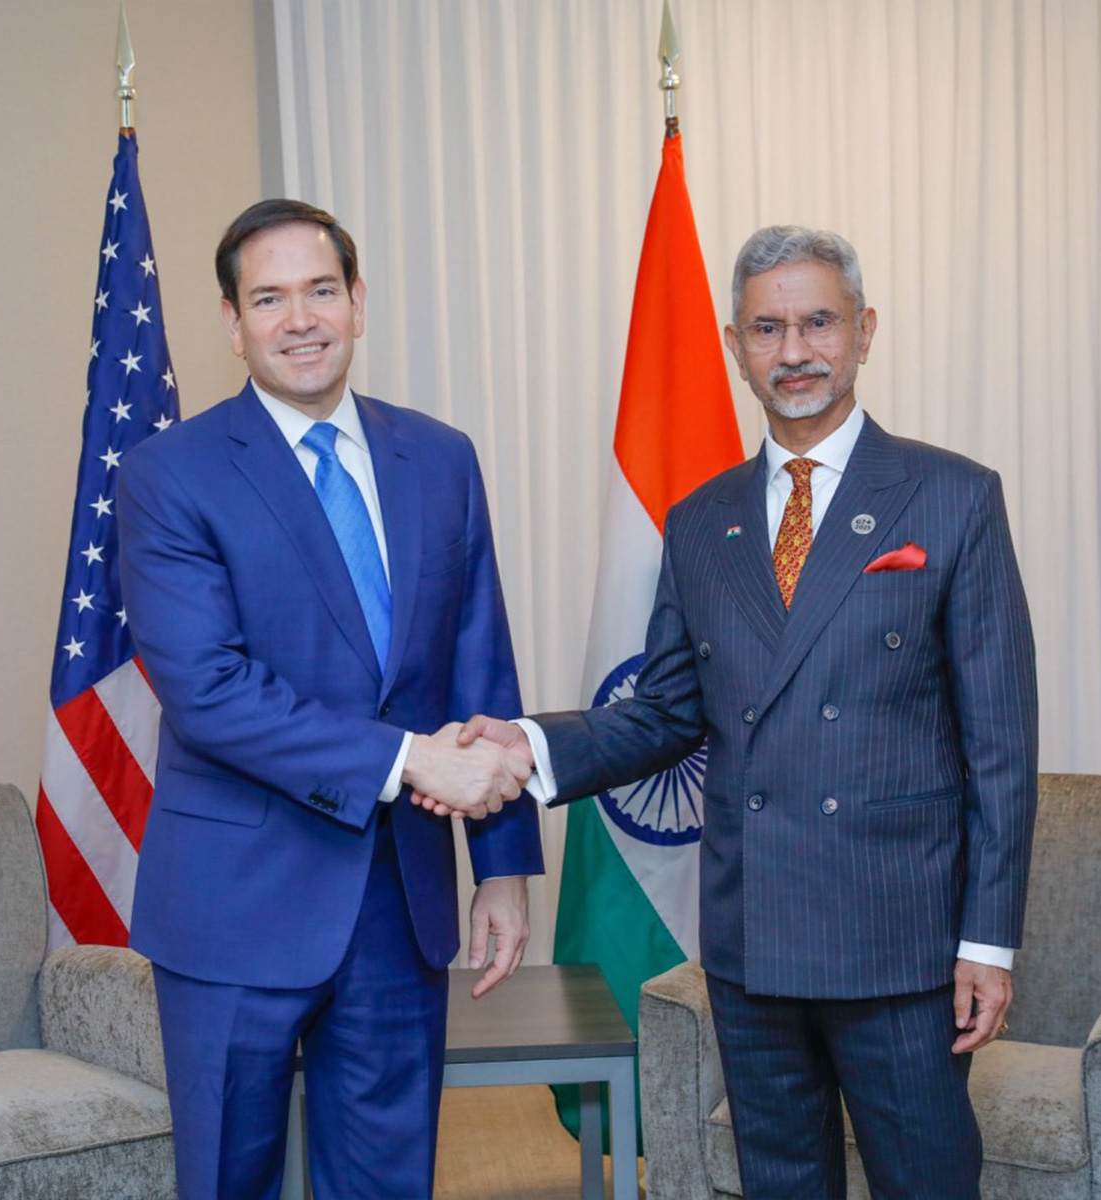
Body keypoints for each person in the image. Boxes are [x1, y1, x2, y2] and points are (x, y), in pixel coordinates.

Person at [427, 226, 1038, 1199]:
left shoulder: (951, 497)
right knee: (780, 1183)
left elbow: (1000, 747)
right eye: (766, 327)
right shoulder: (700, 520)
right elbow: (666, 714)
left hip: (899, 942)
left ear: (863, 330)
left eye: (816, 322)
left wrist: (986, 943)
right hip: (753, 943)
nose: (793, 349)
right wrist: (528, 746)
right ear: (733, 343)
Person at [117, 198, 544, 1200]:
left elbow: (479, 669)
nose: (298, 318)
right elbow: (208, 689)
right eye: (268, 298)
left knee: (391, 1181)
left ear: (357, 303)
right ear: (232, 322)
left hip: (398, 904)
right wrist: (409, 762)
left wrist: (503, 865)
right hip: (234, 905)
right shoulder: (166, 474)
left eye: (319, 291)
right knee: (229, 1179)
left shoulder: (440, 458)